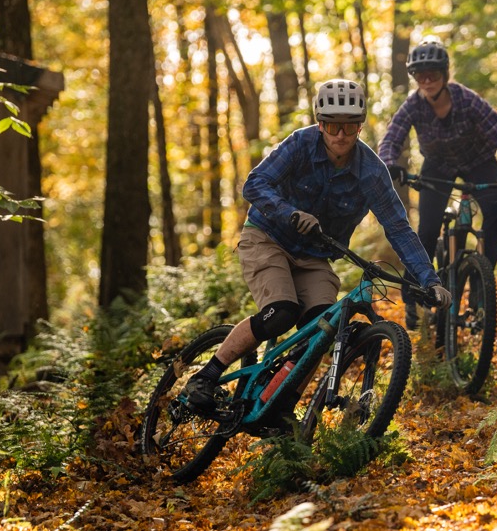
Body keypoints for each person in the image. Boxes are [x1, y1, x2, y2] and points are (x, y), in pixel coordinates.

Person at [181, 78, 451, 414]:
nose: (341, 135)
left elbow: (398, 227)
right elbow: (255, 184)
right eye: (333, 125)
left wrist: (430, 280)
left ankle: (278, 405)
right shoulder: (299, 144)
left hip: (317, 256)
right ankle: (207, 376)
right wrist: (290, 213)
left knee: (321, 331)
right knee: (281, 313)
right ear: (320, 123)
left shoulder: (371, 171)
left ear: (360, 126)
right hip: (268, 238)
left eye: (350, 127)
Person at [378, 40, 497, 326]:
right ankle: (413, 296)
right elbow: (392, 137)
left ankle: (482, 280)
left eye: (433, 74)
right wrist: (390, 164)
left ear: (445, 74)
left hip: (479, 162)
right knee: (427, 230)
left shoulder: (467, 100)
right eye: (420, 75)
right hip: (438, 167)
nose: (427, 81)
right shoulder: (413, 105)